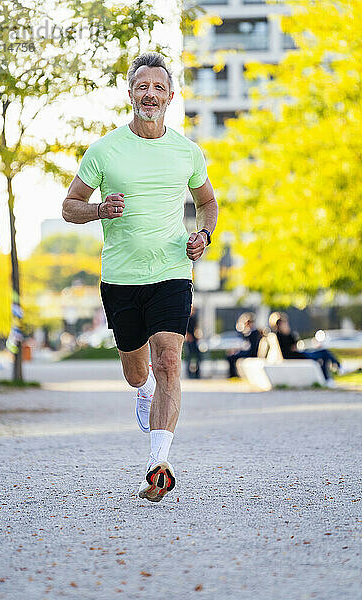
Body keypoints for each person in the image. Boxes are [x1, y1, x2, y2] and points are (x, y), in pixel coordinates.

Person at [62, 52, 218, 503]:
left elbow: (207, 203)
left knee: (170, 360)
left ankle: (158, 462)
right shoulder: (105, 150)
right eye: (142, 87)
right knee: (137, 372)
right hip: (121, 277)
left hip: (171, 270)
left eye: (159, 87)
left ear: (170, 96)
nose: (150, 94)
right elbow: (69, 206)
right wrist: (98, 210)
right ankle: (143, 389)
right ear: (130, 93)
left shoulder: (187, 151)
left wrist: (202, 235)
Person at [269, 312, 341, 385]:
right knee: (323, 354)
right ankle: (336, 369)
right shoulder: (279, 336)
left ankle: (328, 378)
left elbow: (294, 345)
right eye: (284, 323)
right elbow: (292, 347)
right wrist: (288, 334)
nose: (286, 325)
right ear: (279, 325)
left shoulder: (285, 334)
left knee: (323, 355)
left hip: (299, 354)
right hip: (296, 356)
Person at [227, 312, 262, 378]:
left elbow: (251, 347)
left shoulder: (254, 332)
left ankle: (233, 375)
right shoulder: (250, 332)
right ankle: (233, 374)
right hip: (249, 351)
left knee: (231, 357)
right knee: (230, 355)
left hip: (251, 353)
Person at [185, 305, 202, 379]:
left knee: (197, 356)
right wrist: (188, 336)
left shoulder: (194, 318)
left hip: (195, 339)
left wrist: (198, 335)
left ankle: (197, 373)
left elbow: (196, 328)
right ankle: (189, 374)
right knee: (189, 357)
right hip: (189, 340)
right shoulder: (186, 318)